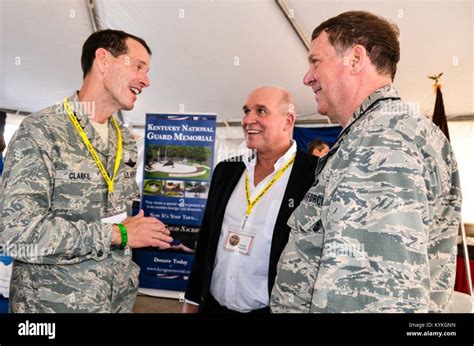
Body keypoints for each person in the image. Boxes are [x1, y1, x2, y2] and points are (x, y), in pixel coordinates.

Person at [271, 11, 462, 313]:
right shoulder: (387, 130)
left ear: (355, 59)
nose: (306, 77)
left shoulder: (381, 140)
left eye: (315, 61)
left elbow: (369, 297)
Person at [0, 29, 173, 313]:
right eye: (138, 66)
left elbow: (121, 216)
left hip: (114, 303)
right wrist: (117, 234)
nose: (146, 80)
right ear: (103, 60)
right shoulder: (42, 131)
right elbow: (17, 236)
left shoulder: (125, 141)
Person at [183, 86, 318, 313]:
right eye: (247, 111)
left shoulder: (314, 176)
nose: (248, 120)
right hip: (213, 307)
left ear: (288, 121)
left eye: (261, 111)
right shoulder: (226, 171)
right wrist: (192, 300)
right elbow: (206, 240)